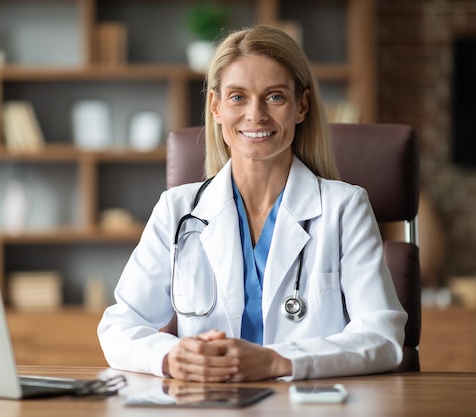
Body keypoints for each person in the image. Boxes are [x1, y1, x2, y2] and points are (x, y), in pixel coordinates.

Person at [98, 25, 407, 382]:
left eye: (274, 97)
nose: (255, 114)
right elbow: (119, 327)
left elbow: (382, 337)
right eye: (237, 97)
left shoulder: (344, 208)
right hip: (208, 405)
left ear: (301, 106)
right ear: (216, 106)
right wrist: (171, 356)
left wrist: (277, 361)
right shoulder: (177, 210)